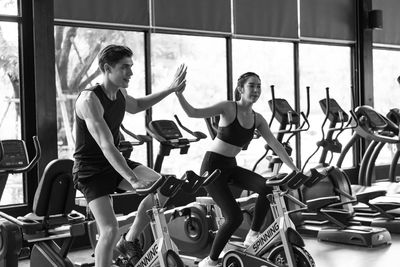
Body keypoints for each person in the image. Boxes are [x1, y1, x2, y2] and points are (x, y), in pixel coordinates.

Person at [72, 44, 186, 267]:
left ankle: (130, 240)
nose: (131, 73)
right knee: (109, 229)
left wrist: (171, 89)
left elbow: (138, 105)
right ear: (107, 68)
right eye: (125, 67)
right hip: (91, 170)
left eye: (131, 67)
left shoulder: (120, 92)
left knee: (161, 187)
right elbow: (106, 146)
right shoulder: (89, 100)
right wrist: (133, 180)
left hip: (114, 164)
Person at [175, 69, 300, 267]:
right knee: (234, 217)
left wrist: (295, 169)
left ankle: (253, 234)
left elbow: (276, 145)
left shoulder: (257, 118)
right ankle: (211, 261)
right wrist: (178, 93)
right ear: (240, 89)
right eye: (251, 85)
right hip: (212, 167)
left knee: (267, 188)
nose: (256, 90)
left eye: (259, 86)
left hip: (230, 166)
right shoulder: (228, 107)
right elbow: (194, 113)